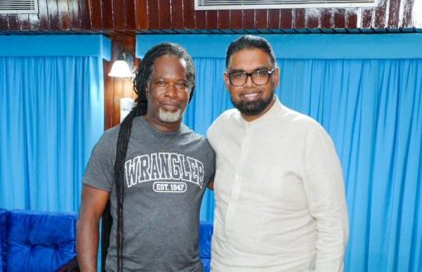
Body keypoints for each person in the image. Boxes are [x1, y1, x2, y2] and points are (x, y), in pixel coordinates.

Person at [207, 35, 349, 272]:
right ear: (227, 81)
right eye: (239, 74)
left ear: (276, 77)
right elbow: (217, 180)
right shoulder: (220, 128)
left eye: (260, 73)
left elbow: (333, 224)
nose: (249, 83)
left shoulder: (308, 134)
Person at [76, 43, 215, 272]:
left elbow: (239, 195)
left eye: (181, 84)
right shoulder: (114, 143)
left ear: (190, 92)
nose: (172, 93)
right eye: (162, 83)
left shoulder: (203, 149)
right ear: (147, 88)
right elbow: (89, 217)